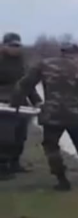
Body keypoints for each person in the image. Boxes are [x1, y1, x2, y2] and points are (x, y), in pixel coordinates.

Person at [11, 42, 78, 192]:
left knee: (51, 147)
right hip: (77, 117)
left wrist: (16, 103)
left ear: (62, 53)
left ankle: (62, 181)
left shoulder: (44, 65)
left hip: (52, 116)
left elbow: (24, 84)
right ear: (76, 55)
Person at [0, 32, 42, 178]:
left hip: (21, 104)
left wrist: (37, 101)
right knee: (5, 137)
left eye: (18, 46)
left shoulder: (23, 63)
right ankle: (2, 167)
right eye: (12, 45)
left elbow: (28, 84)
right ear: (4, 45)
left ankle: (14, 163)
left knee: (20, 136)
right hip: (3, 105)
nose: (15, 49)